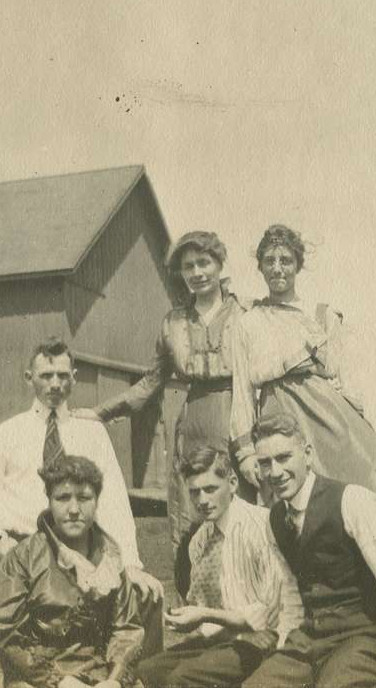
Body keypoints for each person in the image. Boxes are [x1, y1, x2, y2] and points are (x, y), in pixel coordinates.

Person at [230, 224, 376, 577]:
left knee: (371, 489)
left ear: (298, 265)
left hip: (330, 419)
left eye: (286, 260)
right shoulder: (247, 323)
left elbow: (344, 380)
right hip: (281, 424)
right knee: (299, 514)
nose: (277, 268)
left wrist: (368, 431)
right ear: (260, 267)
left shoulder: (322, 315)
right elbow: (241, 391)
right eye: (269, 260)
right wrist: (247, 451)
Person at [74, 231, 250, 551]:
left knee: (243, 516)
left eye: (204, 263)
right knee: (193, 518)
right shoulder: (174, 323)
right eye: (188, 266)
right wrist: (100, 412)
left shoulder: (246, 315)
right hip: (192, 428)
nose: (197, 273)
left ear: (220, 264)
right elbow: (150, 383)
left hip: (240, 423)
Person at [0, 337, 163, 603]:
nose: (55, 384)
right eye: (46, 376)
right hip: (19, 554)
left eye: (63, 376)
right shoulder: (4, 435)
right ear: (29, 377)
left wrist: (130, 562)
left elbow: (114, 504)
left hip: (79, 556)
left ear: (74, 378)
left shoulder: (92, 433)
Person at [244, 413, 376, 688]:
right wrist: (285, 647)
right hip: (309, 641)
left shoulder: (353, 502)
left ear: (307, 454)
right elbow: (294, 594)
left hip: (362, 638)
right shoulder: (274, 520)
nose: (274, 472)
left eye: (284, 458)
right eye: (264, 463)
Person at [135, 446, 303, 688]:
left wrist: (205, 615)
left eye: (210, 489)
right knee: (148, 671)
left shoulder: (262, 527)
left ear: (232, 483)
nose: (202, 500)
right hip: (220, 638)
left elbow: (268, 616)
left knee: (182, 679)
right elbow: (203, 610)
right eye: (194, 493)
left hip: (265, 640)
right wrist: (187, 618)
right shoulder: (200, 540)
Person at [0, 455, 163, 688]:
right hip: (38, 678)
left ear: (96, 501)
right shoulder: (21, 559)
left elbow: (127, 629)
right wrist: (59, 682)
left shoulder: (109, 556)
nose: (73, 509)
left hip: (101, 674)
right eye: (62, 498)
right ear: (49, 501)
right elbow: (10, 638)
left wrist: (114, 680)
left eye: (84, 498)